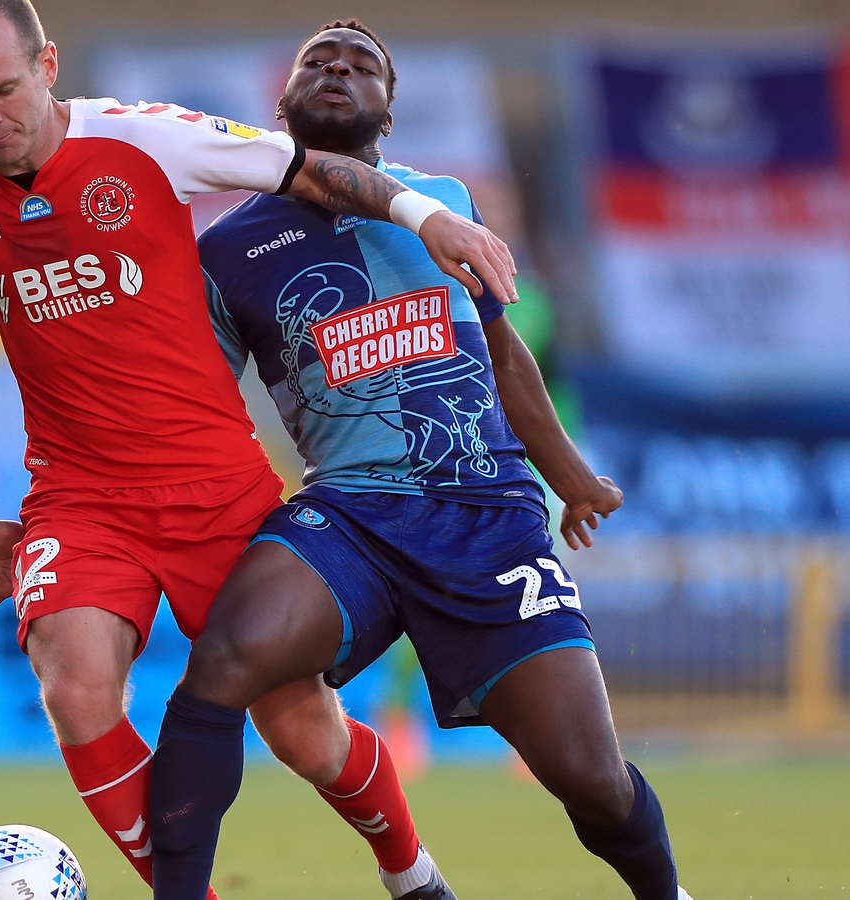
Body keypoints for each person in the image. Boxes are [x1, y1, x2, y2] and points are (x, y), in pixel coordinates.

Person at [0, 2, 517, 898]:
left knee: (304, 729)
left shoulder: (149, 140)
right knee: (74, 689)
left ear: (47, 65)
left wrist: (429, 220)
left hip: (219, 489)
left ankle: (411, 875)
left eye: (2, 89)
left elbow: (310, 171)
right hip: (80, 502)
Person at [134, 21, 696, 900]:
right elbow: (195, 406)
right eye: (317, 61)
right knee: (223, 661)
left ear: (387, 112)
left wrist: (569, 474)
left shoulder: (443, 200)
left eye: (362, 66)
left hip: (486, 516)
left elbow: (505, 353)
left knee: (590, 776)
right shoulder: (225, 249)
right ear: (279, 103)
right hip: (351, 514)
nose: (338, 70)